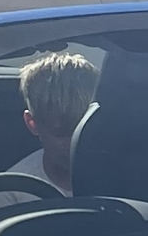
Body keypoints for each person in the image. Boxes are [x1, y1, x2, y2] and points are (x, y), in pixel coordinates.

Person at [12, 48, 97, 192]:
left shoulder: (129, 175)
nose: (74, 144)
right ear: (32, 123)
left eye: (85, 131)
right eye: (62, 133)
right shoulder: (12, 191)